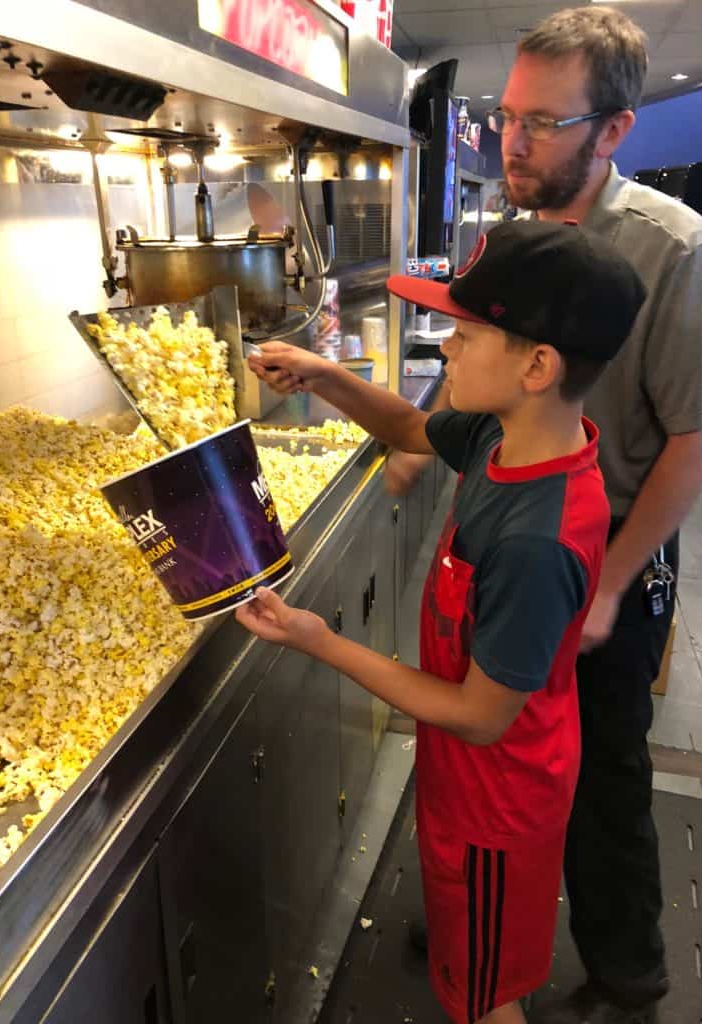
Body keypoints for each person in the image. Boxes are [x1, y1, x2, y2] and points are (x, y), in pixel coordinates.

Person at [238, 219, 647, 1024]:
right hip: (464, 779)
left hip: (499, 801)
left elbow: (480, 714)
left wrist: (323, 641)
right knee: (468, 953)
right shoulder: (507, 436)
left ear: (537, 365)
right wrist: (322, 372)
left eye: (463, 335)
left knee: (485, 997)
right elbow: (406, 427)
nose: (444, 352)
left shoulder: (539, 537)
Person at [489, 7, 702, 1021]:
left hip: (612, 547)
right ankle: (488, 918)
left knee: (602, 770)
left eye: (541, 123)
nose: (513, 143)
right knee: (503, 752)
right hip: (516, 539)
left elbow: (695, 438)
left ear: (613, 131)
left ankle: (628, 972)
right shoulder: (516, 229)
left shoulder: (673, 251)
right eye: (505, 117)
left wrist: (614, 583)